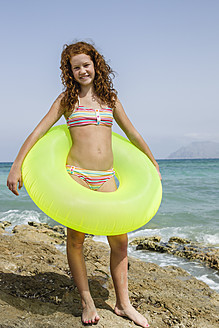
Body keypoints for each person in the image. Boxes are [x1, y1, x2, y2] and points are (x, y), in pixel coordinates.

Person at [7, 41, 161, 327]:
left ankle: (123, 304)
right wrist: (16, 166)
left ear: (96, 65)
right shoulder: (67, 100)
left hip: (106, 178)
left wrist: (153, 164)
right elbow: (38, 131)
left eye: (86, 65)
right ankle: (87, 301)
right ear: (70, 71)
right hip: (77, 176)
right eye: (76, 67)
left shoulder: (110, 99)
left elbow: (133, 134)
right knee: (76, 241)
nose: (82, 71)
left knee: (120, 241)